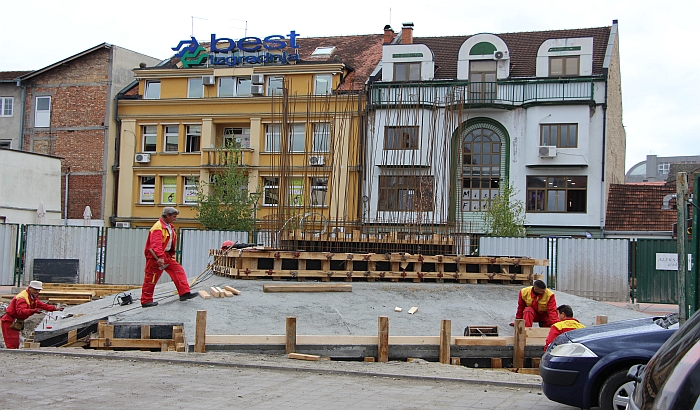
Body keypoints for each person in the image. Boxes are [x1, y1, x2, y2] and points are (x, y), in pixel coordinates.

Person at [141, 207, 197, 307]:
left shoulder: (169, 226)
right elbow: (156, 245)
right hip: (155, 257)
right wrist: (160, 257)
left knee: (178, 270)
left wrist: (169, 255)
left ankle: (184, 293)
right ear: (167, 215)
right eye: (174, 217)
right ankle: (146, 301)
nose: (175, 219)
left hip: (166, 255)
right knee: (151, 278)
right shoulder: (158, 227)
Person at [1, 281, 62, 349]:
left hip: (16, 320)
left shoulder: (32, 296)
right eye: (35, 289)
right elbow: (21, 311)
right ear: (29, 288)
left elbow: (41, 305)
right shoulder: (22, 298)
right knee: (12, 344)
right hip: (9, 321)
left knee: (15, 342)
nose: (37, 291)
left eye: (39, 290)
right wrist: (34, 310)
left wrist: (55, 308)